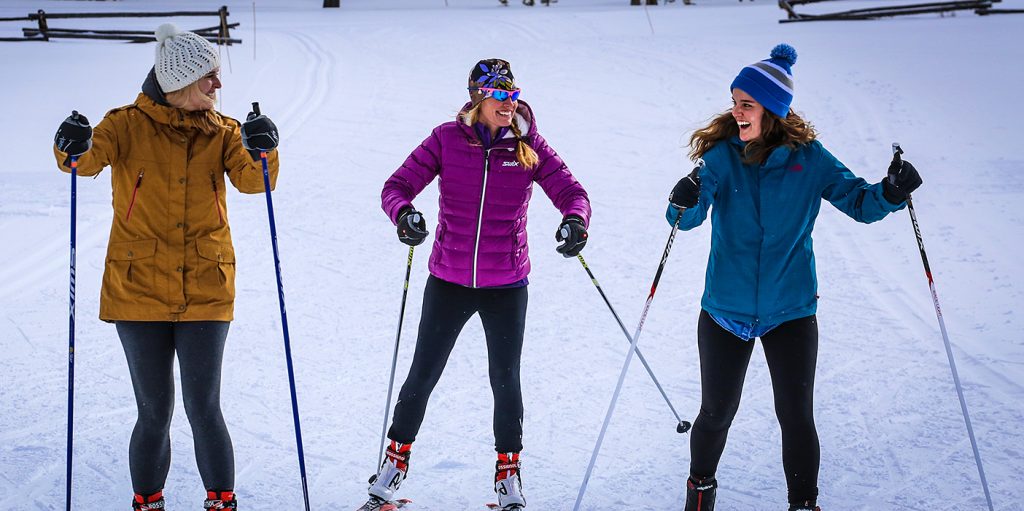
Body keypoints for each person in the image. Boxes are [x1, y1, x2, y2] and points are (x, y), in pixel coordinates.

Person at [665, 44, 922, 511]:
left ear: (773, 110)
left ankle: (804, 505)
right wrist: (681, 200)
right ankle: (699, 494)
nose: (736, 111)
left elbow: (860, 203)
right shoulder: (721, 158)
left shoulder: (811, 159)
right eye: (735, 101)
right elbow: (688, 218)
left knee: (796, 416)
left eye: (747, 103)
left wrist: (890, 191)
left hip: (791, 310)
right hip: (725, 309)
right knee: (716, 412)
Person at [52, 23, 280, 511]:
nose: (218, 87)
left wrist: (264, 149)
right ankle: (148, 501)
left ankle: (221, 501)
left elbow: (254, 180)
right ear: (180, 81)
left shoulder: (224, 131)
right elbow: (83, 162)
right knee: (154, 411)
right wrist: (70, 145)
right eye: (209, 78)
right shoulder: (124, 125)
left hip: (205, 287)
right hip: (137, 291)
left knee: (204, 409)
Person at [361, 58, 591, 511]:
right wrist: (403, 215)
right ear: (478, 99)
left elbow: (572, 193)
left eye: (512, 93)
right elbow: (396, 186)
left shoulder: (529, 144)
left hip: (507, 282)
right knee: (422, 375)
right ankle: (393, 465)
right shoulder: (447, 139)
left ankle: (508, 476)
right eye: (498, 95)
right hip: (448, 278)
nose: (508, 102)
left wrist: (575, 222)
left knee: (505, 379)